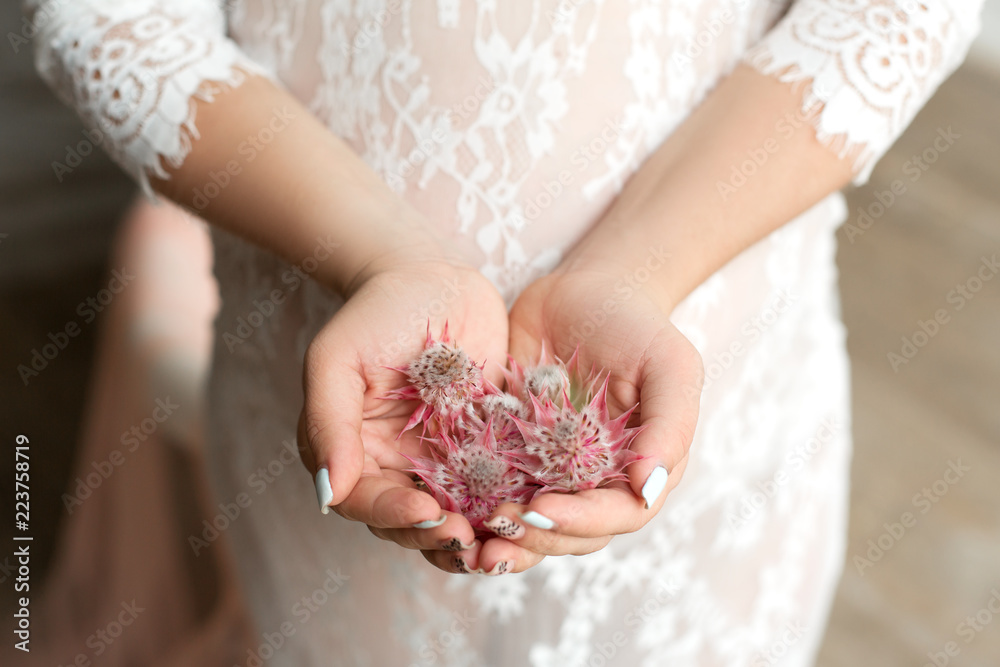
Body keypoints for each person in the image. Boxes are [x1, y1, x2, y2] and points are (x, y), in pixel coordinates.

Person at [29, 0, 982, 664]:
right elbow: (106, 15)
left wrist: (634, 272)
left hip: (715, 353)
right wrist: (379, 257)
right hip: (340, 380)